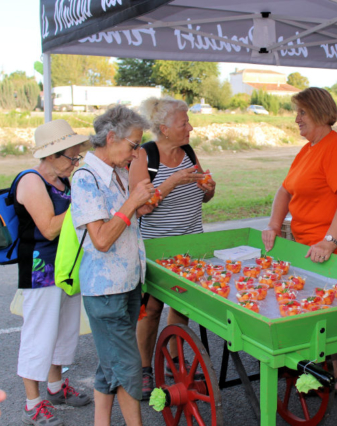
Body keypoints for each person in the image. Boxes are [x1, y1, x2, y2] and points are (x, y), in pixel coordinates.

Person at [261, 87, 337, 394]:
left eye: (301, 112)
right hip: (305, 246)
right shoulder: (309, 148)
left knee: (321, 309)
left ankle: (333, 374)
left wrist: (329, 240)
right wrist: (274, 225)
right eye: (296, 112)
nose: (296, 118)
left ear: (317, 111)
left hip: (332, 247)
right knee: (321, 306)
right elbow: (286, 190)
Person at [70, 105, 154, 426]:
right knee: (128, 368)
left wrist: (141, 201)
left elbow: (128, 218)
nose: (136, 153)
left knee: (112, 362)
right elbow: (102, 240)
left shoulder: (117, 172)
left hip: (128, 283)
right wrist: (132, 201)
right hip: (105, 291)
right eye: (134, 145)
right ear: (111, 138)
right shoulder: (85, 178)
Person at [129, 96, 216, 400]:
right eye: (184, 123)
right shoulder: (144, 156)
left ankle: (174, 360)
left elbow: (203, 196)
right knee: (151, 310)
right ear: (164, 128)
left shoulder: (188, 152)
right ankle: (143, 368)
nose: (190, 127)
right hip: (157, 249)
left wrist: (209, 189)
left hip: (192, 244)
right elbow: (141, 209)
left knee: (181, 305)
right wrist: (172, 182)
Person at [15, 119, 91, 426]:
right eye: (70, 157)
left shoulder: (64, 180)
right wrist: (81, 205)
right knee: (39, 334)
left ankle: (56, 387)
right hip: (39, 271)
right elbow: (47, 229)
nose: (75, 163)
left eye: (77, 157)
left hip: (66, 267)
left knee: (64, 329)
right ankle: (33, 402)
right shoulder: (31, 181)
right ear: (50, 155)